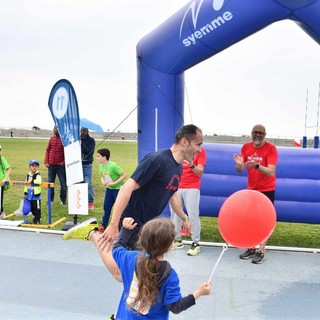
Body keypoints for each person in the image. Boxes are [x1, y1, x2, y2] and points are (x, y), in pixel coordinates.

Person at [63, 124, 202, 280]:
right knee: (120, 273)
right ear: (184, 142)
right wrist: (115, 224)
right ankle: (92, 233)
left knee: (140, 270)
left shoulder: (178, 167)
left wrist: (184, 218)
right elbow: (125, 189)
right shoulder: (157, 160)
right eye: (198, 144)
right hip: (131, 221)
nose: (200, 149)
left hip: (147, 225)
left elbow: (172, 193)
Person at [103, 217, 211, 319]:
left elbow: (116, 247)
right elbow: (175, 306)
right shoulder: (169, 275)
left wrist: (125, 230)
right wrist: (199, 292)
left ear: (142, 240)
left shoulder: (130, 258)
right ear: (169, 246)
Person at [233, 124, 278, 264]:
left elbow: (271, 171)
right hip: (251, 190)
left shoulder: (271, 149)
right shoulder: (246, 147)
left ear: (265, 135)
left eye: (261, 133)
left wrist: (257, 165)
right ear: (251, 133)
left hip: (267, 190)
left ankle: (260, 251)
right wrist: (240, 164)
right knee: (251, 219)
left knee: (265, 220)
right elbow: (240, 169)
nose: (258, 135)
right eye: (255, 132)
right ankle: (252, 248)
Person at [170, 147, 207, 256]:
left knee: (193, 215)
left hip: (192, 187)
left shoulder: (200, 151)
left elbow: (200, 172)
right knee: (174, 214)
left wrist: (191, 164)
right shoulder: (180, 149)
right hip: (177, 186)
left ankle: (196, 243)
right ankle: (177, 240)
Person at [97, 148, 127, 233]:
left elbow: (124, 175)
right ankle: (103, 226)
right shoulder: (101, 166)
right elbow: (102, 176)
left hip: (118, 190)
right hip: (109, 190)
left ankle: (120, 228)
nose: (97, 158)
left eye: (98, 156)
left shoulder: (114, 166)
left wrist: (114, 183)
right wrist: (103, 181)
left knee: (119, 210)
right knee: (106, 208)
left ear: (104, 157)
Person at [44, 126, 67, 206]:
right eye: (54, 128)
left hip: (60, 166)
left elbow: (67, 152)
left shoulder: (64, 139)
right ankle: (50, 200)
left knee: (63, 184)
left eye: (57, 128)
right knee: (50, 183)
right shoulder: (51, 138)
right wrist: (46, 161)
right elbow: (48, 150)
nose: (55, 130)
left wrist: (63, 162)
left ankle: (63, 200)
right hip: (51, 166)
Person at [80, 127, 96, 210]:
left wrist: (82, 143)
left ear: (87, 132)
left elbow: (89, 151)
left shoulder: (91, 141)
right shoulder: (77, 140)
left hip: (87, 164)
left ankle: (90, 202)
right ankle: (81, 200)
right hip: (78, 165)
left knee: (88, 183)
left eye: (84, 131)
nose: (82, 132)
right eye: (81, 131)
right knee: (79, 183)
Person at [24, 160, 42, 224]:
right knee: (32, 208)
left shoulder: (38, 174)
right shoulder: (28, 175)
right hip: (30, 194)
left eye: (36, 166)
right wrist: (25, 193)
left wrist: (31, 181)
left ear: (38, 167)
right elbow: (26, 184)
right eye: (33, 166)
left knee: (37, 208)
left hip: (36, 195)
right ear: (30, 167)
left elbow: (39, 181)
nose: (34, 167)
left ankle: (37, 219)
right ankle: (35, 217)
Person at [0, 145, 12, 219]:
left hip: (0, 182)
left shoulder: (2, 159)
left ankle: (1, 213)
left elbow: (9, 168)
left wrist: (5, 178)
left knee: (0, 199)